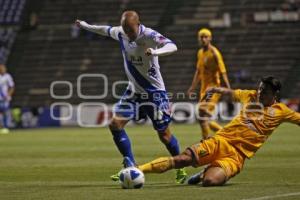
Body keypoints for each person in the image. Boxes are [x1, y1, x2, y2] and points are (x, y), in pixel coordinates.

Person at [75, 10, 187, 183]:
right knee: (115, 124)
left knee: (164, 135)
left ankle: (180, 167)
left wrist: (156, 52)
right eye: (125, 30)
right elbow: (104, 30)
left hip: (154, 93)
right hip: (134, 92)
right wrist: (85, 25)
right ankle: (130, 164)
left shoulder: (149, 35)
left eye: (131, 30)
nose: (128, 34)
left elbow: (173, 46)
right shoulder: (121, 33)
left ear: (138, 24)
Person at [134, 76, 300, 186]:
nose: (260, 93)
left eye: (265, 91)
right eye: (260, 88)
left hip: (237, 156)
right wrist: (213, 89)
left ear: (275, 94)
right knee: (183, 159)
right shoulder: (249, 95)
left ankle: (203, 173)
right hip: (221, 141)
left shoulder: (282, 111)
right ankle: (138, 169)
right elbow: (229, 92)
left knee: (210, 182)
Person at [187, 28, 231, 139]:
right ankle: (211, 138)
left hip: (214, 88)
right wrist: (192, 87)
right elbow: (198, 72)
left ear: (210, 38)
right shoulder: (200, 53)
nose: (203, 39)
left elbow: (223, 72)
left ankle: (216, 136)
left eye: (206, 37)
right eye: (201, 37)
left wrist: (229, 89)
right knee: (202, 117)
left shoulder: (215, 53)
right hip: (204, 89)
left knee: (202, 111)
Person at [0, 64, 15, 134]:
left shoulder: (8, 76)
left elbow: (12, 86)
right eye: (1, 68)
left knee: (5, 113)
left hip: (4, 98)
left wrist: (8, 95)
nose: (3, 69)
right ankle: (1, 127)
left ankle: (5, 127)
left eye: (3, 68)